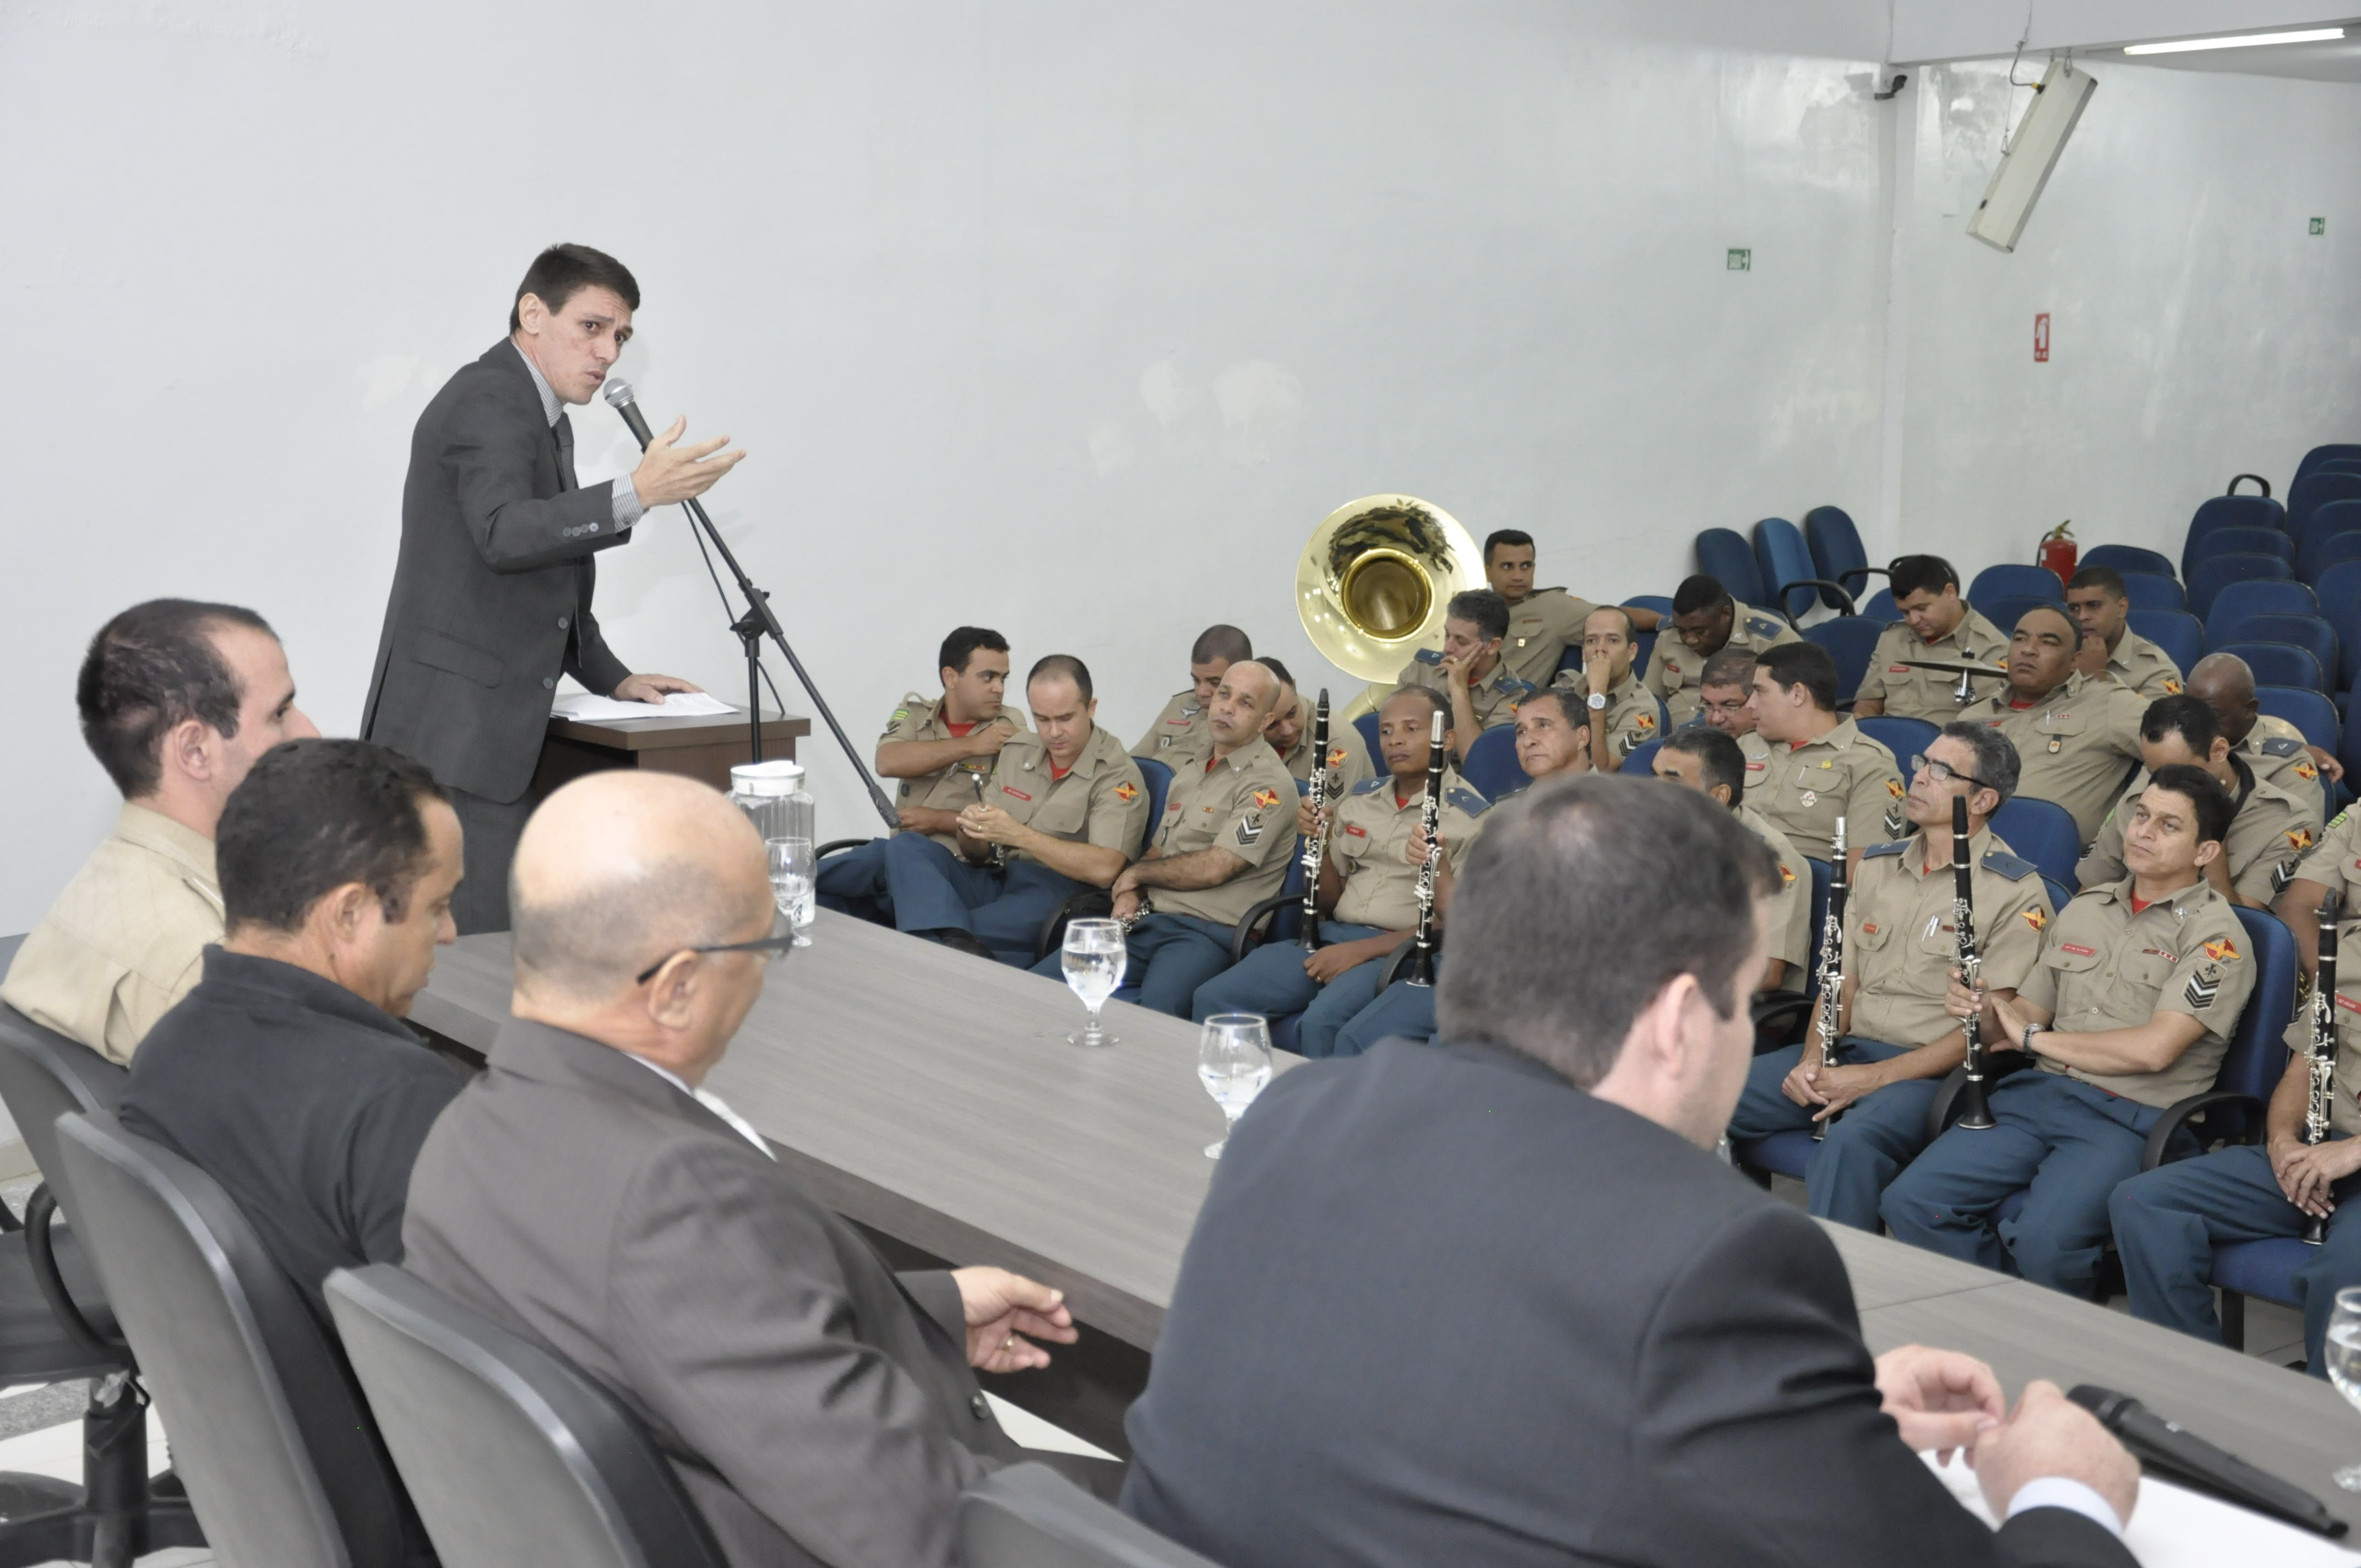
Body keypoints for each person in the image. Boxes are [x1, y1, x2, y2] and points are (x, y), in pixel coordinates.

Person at [1120, 775, 2140, 1568]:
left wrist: (1803, 1406)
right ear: (1674, 1023)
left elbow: (1458, 1380)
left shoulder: (1294, 1114)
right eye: (1741, 1005)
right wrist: (2064, 1490)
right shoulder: (1719, 1254)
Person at [402, 770, 1114, 1568]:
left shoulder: (466, 1130)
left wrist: (927, 1305)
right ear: (675, 988)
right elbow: (911, 1525)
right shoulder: (676, 1196)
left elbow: (683, 1324)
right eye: (761, 944)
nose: (765, 973)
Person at [363, 244, 726, 935]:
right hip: (454, 735)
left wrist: (613, 678)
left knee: (486, 946)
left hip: (473, 732)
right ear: (534, 313)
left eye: (620, 336)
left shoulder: (541, 415)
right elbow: (505, 534)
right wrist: (635, 493)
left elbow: (544, 576)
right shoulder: (491, 395)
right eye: (592, 327)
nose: (609, 352)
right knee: (472, 953)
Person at [1883, 767, 2255, 1299]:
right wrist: (1980, 1007)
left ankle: (2055, 1340)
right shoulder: (2086, 908)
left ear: (2205, 852)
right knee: (1912, 1202)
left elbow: (2155, 1050)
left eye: (2168, 825)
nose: (2142, 831)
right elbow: (2024, 1017)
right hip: (2039, 1098)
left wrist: (2037, 1042)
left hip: (2128, 1118)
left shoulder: (2217, 939)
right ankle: (2011, 1316)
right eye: (2141, 814)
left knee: (2045, 1242)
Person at [121, 739, 463, 1317]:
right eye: (438, 905)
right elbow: (468, 1372)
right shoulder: (397, 1102)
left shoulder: (165, 1048)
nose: (450, 932)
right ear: (349, 913)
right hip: (364, 1409)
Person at [1726, 727, 2052, 1231]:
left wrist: (1874, 1078)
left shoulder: (2014, 891)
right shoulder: (1877, 867)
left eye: (1943, 772)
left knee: (1851, 1143)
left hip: (1931, 1075)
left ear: (1984, 798)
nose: (1919, 776)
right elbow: (1840, 984)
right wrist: (1814, 1056)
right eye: (1923, 762)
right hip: (1850, 1051)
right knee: (1703, 1093)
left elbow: (1988, 1029)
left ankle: (1840, 1295)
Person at [3, 600, 319, 1063]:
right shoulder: (209, 969)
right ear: (194, 750)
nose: (309, 734)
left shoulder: (95, 892)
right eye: (279, 713)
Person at [2115, 809, 2361, 1374]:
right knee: (2143, 1202)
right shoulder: (2344, 950)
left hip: (2347, 1154)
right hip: (2318, 1150)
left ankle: (2325, 1423)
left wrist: (2348, 1153)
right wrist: (2280, 1141)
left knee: (2342, 1278)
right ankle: (2200, 1385)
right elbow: (2302, 1065)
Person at [1191, 687, 1484, 1056]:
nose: (1395, 741)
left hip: (1400, 951)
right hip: (1333, 934)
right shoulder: (1360, 801)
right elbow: (1329, 897)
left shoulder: (1471, 819)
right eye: (1387, 730)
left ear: (1448, 738)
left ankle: (1312, 1113)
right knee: (1215, 998)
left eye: (1412, 729)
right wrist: (1320, 844)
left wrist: (1360, 951)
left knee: (1321, 1023)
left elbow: (1456, 922)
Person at [1330, 687, 1595, 1055]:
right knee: (1353, 1037)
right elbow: (1464, 917)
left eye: (1543, 726)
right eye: (1520, 731)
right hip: (1481, 970)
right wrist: (1435, 861)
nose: (1528, 740)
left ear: (1583, 735)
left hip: (1557, 986)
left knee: (1450, 1059)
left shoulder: (1616, 816)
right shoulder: (1504, 815)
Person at [1034, 663, 1296, 1015]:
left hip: (1208, 934)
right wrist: (1131, 890)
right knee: (1043, 985)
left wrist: (1137, 875)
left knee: (1155, 1016)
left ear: (1266, 722)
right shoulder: (1190, 770)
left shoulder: (1269, 786)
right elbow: (1159, 850)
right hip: (1150, 920)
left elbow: (1217, 867)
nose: (1227, 707)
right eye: (1224, 694)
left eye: (1246, 703)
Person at [871, 656, 1148, 962]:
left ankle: (942, 942)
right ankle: (945, 940)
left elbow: (1105, 869)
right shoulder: (1019, 752)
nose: (1054, 732)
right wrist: (972, 829)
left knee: (952, 926)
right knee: (907, 846)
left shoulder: (1117, 774)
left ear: (1091, 708)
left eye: (1065, 718)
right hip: (997, 875)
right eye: (1042, 719)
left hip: (1055, 892)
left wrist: (1018, 835)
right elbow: (978, 853)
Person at [816, 628, 1030, 919]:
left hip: (963, 867)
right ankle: (771, 890)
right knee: (824, 902)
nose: (999, 688)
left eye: (1003, 678)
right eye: (988, 677)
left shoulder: (1010, 724)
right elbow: (887, 762)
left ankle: (775, 880)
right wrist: (973, 746)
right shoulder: (916, 715)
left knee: (884, 854)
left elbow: (1012, 819)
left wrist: (939, 821)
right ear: (951, 677)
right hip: (900, 863)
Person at [2072, 695, 2314, 908]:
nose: (2168, 786)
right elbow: (2092, 888)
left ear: (2219, 751)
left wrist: (2212, 840)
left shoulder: (2287, 821)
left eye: (2184, 774)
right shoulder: (2147, 791)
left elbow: (2250, 930)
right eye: (2154, 772)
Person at [1957, 607, 2146, 843]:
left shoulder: (2107, 704)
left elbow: (2183, 750)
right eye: (2020, 639)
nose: (2028, 650)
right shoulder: (1973, 717)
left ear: (2075, 661)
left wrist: (2121, 832)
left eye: (2048, 643)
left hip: (2044, 862)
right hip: (1959, 850)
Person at [1651, 727, 1807, 990]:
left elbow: (1768, 972)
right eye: (1654, 775)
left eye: (1672, 781)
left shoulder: (1768, 858)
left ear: (1718, 796)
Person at [1745, 641, 1904, 865]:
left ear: (1798, 694)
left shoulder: (1870, 763)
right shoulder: (1747, 744)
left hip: (1794, 887)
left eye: (1760, 692)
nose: (1750, 704)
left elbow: (1865, 871)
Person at [1853, 556, 2011, 721]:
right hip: (1887, 740)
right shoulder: (1892, 639)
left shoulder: (1989, 646)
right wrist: (1863, 719)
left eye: (1921, 608)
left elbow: (1988, 722)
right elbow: (1869, 701)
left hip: (1948, 742)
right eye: (1905, 612)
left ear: (1950, 593)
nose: (1913, 620)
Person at [2185, 650, 2336, 815]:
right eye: (2189, 710)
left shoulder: (2285, 764)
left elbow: (2298, 832)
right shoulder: (2173, 741)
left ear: (2250, 710)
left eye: (2213, 715)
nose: (2197, 724)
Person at [1643, 575, 1798, 728]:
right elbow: (1650, 700)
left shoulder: (1773, 640)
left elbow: (1792, 708)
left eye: (1700, 631)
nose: (1690, 639)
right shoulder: (1668, 635)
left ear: (1726, 614)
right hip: (1672, 740)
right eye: (1682, 631)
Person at [1399, 590, 1535, 756]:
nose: (1447, 648)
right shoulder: (1422, 669)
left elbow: (1477, 761)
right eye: (1447, 635)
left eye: (1461, 641)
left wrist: (1459, 689)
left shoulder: (1513, 698)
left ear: (1492, 646)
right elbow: (1389, 733)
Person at [1479, 529, 1598, 687]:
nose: (1518, 576)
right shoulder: (1472, 610)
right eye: (1508, 567)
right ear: (1488, 572)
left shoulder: (1554, 606)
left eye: (1526, 566)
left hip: (1510, 706)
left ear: (1534, 569)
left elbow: (1620, 618)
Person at [1551, 607, 1660, 772]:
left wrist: (1597, 692)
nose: (1600, 649)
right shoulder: (1566, 688)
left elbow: (1600, 771)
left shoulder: (1643, 710)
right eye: (1591, 641)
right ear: (1583, 653)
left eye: (1613, 640)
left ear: (1632, 652)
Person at [1256, 658, 1374, 797]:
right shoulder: (1240, 731)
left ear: (1294, 686)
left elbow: (1334, 816)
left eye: (1292, 713)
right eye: (1272, 725)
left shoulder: (1338, 741)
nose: (1287, 731)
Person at [1131, 625, 1252, 759]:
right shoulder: (1181, 703)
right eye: (1197, 681)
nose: (1202, 692)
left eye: (1215, 683)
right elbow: (1135, 761)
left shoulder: (1253, 719)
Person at [2064, 567, 2182, 699]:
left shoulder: (2157, 671)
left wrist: (2095, 679)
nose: (2082, 616)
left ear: (2122, 608)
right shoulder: (2059, 655)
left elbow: (2142, 720)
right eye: (2074, 608)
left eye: (2093, 606)